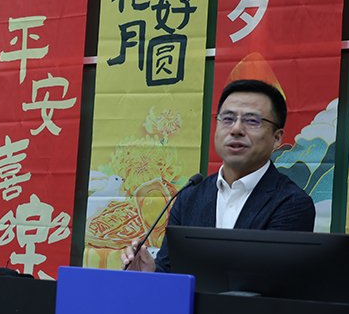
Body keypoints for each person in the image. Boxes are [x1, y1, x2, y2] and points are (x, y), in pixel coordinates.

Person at [121, 79, 315, 272]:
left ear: (277, 137)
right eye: (228, 119)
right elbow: (171, 269)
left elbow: (273, 279)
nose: (236, 129)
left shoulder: (292, 203)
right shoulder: (189, 197)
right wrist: (150, 273)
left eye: (252, 121)